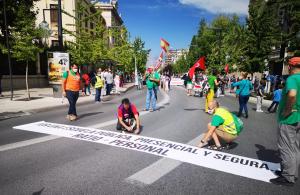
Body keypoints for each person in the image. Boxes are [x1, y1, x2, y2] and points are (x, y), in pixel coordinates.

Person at [270, 57, 300, 186]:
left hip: (289, 119)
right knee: (295, 147)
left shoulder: (292, 78)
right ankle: (292, 173)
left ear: (290, 66)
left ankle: (287, 177)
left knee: (286, 147)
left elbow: (292, 94)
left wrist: (287, 110)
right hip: (299, 117)